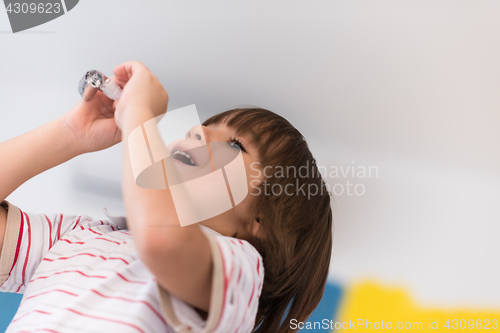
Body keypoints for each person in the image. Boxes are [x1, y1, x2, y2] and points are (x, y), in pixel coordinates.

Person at [0, 61, 333, 333]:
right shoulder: (85, 235)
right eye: (204, 126)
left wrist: (139, 117)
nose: (196, 130)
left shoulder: (240, 269)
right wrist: (69, 134)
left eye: (236, 145)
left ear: (261, 220)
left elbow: (161, 241)